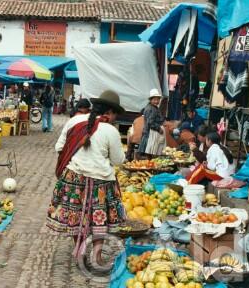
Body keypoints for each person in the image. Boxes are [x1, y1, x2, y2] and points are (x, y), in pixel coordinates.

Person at [49, 90, 126, 268]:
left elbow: (59, 146)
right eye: (115, 114)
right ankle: (96, 256)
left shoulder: (75, 121)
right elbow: (118, 160)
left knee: (75, 215)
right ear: (110, 112)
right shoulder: (111, 131)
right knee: (100, 219)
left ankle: (80, 248)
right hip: (101, 182)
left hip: (73, 179)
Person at [139, 89, 165, 157]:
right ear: (150, 100)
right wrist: (159, 128)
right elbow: (150, 122)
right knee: (150, 151)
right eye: (154, 99)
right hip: (150, 133)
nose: (156, 101)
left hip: (149, 132)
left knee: (149, 151)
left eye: (158, 99)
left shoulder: (153, 107)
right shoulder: (151, 109)